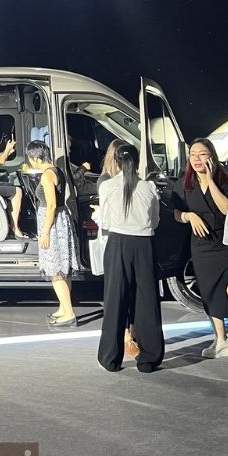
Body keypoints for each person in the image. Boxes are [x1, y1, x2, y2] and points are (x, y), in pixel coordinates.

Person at [172, 137, 228, 373]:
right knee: (209, 293)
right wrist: (189, 216)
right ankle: (221, 341)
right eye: (193, 154)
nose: (197, 159)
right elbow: (176, 212)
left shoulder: (227, 181)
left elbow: (227, 210)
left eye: (202, 154)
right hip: (201, 246)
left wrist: (210, 180)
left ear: (212, 157)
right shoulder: (183, 184)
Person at [96, 143, 163, 373]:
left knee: (115, 298)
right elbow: (155, 221)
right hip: (145, 244)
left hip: (118, 243)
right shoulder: (149, 187)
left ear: (116, 161)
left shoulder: (107, 186)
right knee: (147, 300)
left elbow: (105, 221)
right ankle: (148, 358)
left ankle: (110, 358)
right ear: (137, 162)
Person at [25, 140, 80, 326]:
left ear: (36, 157)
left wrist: (46, 232)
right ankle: (64, 308)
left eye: (30, 158)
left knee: (55, 270)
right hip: (61, 220)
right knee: (63, 270)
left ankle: (69, 314)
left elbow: (51, 205)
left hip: (54, 224)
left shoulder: (47, 175)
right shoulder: (57, 170)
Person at [97, 138, 140, 358]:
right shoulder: (106, 181)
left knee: (132, 291)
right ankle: (125, 336)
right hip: (114, 239)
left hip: (126, 238)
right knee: (118, 292)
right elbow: (105, 217)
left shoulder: (135, 181)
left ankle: (132, 333)